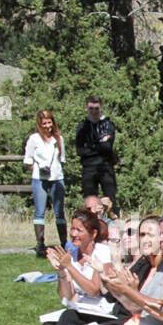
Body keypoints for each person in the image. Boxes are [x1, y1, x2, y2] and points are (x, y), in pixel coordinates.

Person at [24, 109, 67, 256]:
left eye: (49, 123)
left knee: (59, 212)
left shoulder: (58, 139)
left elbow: (62, 159)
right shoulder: (34, 139)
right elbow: (28, 159)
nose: (47, 126)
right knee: (39, 212)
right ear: (39, 124)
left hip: (57, 178)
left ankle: (64, 243)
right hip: (40, 179)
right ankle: (40, 244)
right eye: (44, 124)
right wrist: (38, 168)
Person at [74, 95, 117, 209]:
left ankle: (113, 223)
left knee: (110, 199)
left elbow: (107, 147)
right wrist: (99, 144)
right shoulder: (82, 127)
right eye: (91, 108)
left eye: (96, 108)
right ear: (86, 108)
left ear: (101, 108)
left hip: (106, 167)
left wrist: (91, 146)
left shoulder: (108, 125)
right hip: (89, 169)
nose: (94, 111)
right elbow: (80, 150)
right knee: (90, 201)